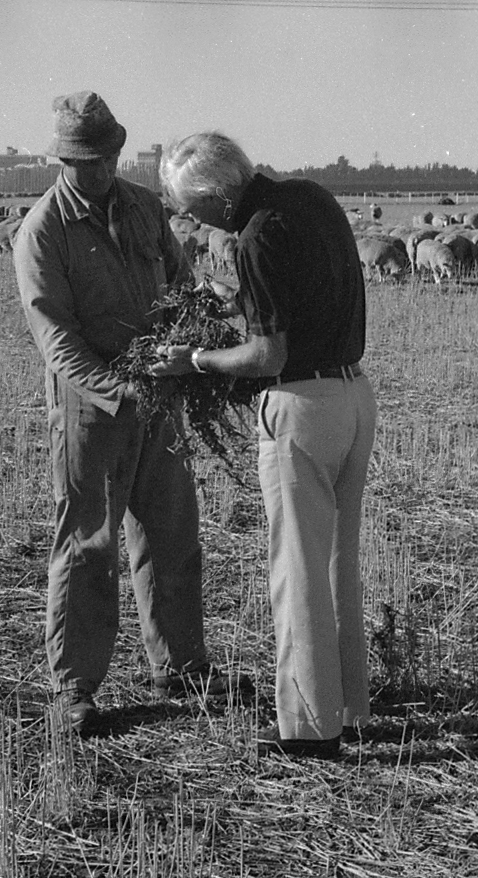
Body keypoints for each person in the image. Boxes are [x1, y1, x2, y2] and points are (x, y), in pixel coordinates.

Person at [151, 131, 374, 759]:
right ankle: (350, 708)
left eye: (190, 209)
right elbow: (306, 301)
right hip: (355, 396)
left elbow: (268, 353)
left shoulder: (254, 237)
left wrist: (193, 360)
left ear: (218, 199)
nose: (190, 220)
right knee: (338, 562)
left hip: (302, 407)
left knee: (296, 568)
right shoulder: (314, 197)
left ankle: (308, 729)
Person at [13, 91, 224, 737]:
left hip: (157, 396)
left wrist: (195, 341)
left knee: (171, 534)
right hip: (90, 407)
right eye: (86, 161)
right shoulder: (43, 231)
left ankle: (181, 667)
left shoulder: (141, 207)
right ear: (62, 159)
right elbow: (55, 336)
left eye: (107, 156)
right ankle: (73, 688)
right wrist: (117, 386)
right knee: (87, 546)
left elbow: (183, 281)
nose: (100, 169)